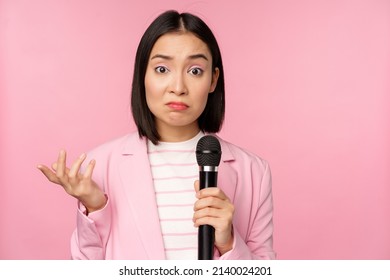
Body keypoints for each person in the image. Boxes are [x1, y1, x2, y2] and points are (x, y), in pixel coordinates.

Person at [37, 10, 275, 260]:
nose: (178, 87)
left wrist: (228, 244)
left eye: (195, 71)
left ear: (213, 79)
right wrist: (96, 209)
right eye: (162, 69)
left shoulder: (254, 172)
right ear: (143, 74)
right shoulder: (98, 168)